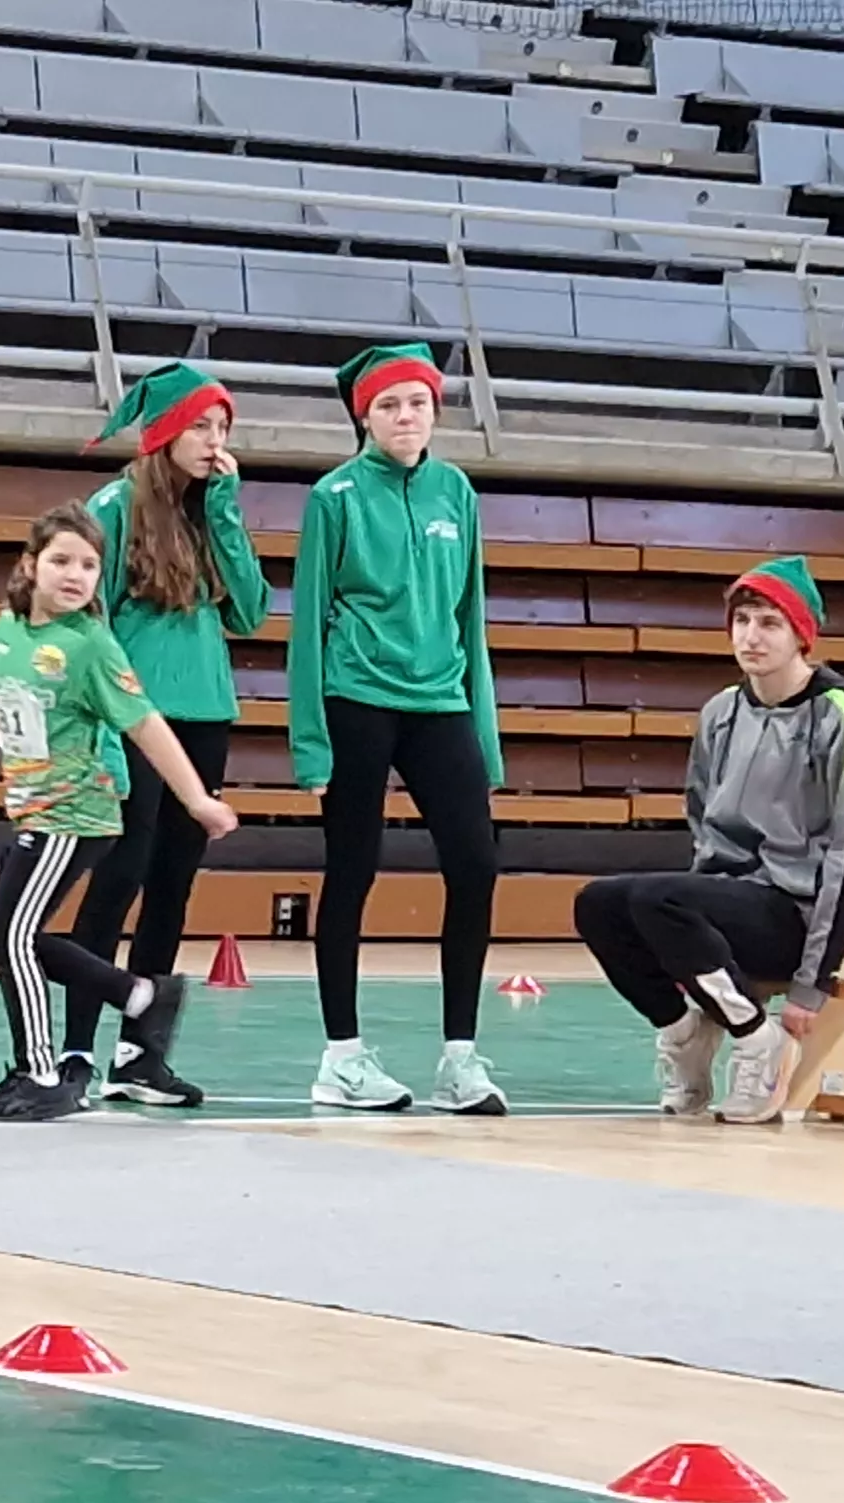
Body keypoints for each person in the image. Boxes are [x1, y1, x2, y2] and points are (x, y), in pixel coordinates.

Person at [0, 504, 244, 1121]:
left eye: (90, 565)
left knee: (10, 935)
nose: (75, 574)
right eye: (62, 560)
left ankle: (41, 1072)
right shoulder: (8, 631)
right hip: (33, 812)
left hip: (76, 813)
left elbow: (146, 724)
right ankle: (134, 994)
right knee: (12, 936)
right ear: (29, 566)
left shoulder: (91, 646)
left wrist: (197, 799)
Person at [571, 558, 844, 1124]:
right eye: (742, 620)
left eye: (769, 623)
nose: (751, 636)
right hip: (726, 901)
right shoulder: (721, 711)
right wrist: (688, 939)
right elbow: (702, 820)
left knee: (656, 899)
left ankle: (757, 1041)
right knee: (598, 902)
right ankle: (684, 1035)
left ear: (801, 635)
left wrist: (815, 981)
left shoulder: (843, 715)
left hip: (795, 913)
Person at [292, 343, 508, 1115]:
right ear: (365, 416)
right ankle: (342, 1057)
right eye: (389, 405)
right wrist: (309, 739)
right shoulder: (335, 497)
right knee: (353, 869)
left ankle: (460, 1058)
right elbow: (309, 618)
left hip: (441, 702)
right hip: (357, 696)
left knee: (476, 865)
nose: (406, 416)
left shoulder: (457, 492)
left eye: (417, 402)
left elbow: (471, 618)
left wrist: (485, 735)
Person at [58, 362, 268, 1106]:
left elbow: (249, 612)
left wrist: (231, 511)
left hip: (208, 717)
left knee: (172, 890)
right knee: (116, 882)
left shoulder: (215, 510)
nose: (214, 441)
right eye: (202, 425)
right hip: (137, 723)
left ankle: (141, 1056)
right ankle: (76, 1051)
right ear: (168, 431)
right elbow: (91, 624)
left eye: (223, 428)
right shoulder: (111, 509)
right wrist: (107, 731)